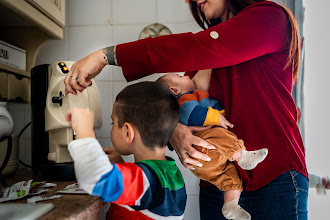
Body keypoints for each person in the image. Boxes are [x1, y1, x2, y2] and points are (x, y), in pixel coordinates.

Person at [64, 1, 308, 219]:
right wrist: (175, 130)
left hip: (274, 175)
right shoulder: (203, 58)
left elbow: (197, 47)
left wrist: (105, 56)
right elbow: (178, 104)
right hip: (217, 183)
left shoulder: (270, 16)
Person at [65, 81, 186, 219]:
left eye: (113, 123)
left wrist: (84, 129)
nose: (112, 127)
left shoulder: (146, 180)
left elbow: (97, 179)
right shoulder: (172, 174)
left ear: (128, 133)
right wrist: (121, 165)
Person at [157, 72, 268, 219]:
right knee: (221, 135)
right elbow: (193, 114)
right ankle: (242, 156)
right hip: (205, 146)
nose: (187, 76)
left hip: (203, 163)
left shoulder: (187, 99)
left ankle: (231, 205)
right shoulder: (185, 99)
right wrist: (217, 118)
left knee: (229, 176)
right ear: (174, 90)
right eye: (180, 77)